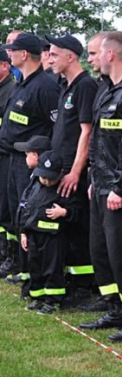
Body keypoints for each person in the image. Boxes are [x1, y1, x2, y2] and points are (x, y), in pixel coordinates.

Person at [79, 31, 122, 341]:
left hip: (120, 189)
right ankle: (114, 307)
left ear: (110, 55)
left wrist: (120, 187)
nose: (93, 60)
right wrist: (94, 176)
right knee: (101, 250)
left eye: (97, 53)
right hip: (101, 184)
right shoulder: (105, 90)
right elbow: (97, 140)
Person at [0, 33, 59, 283]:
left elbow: (57, 127)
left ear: (24, 54)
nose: (9, 54)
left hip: (29, 161)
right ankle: (21, 265)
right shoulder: (23, 83)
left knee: (29, 214)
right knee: (16, 213)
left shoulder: (45, 86)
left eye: (12, 50)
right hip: (12, 159)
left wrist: (44, 160)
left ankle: (33, 269)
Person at [46, 34, 99, 308]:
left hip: (74, 169)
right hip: (62, 166)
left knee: (78, 227)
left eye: (54, 54)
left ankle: (85, 286)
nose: (50, 59)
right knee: (67, 227)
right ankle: (73, 280)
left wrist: (77, 171)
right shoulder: (66, 86)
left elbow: (86, 132)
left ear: (71, 56)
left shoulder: (85, 86)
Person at [18, 150, 76, 314]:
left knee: (52, 269)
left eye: (51, 178)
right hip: (33, 235)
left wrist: (64, 213)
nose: (47, 181)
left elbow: (77, 211)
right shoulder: (34, 186)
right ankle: (38, 297)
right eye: (43, 177)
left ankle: (53, 300)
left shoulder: (65, 189)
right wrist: (23, 232)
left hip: (54, 238)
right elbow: (26, 209)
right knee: (35, 267)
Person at [0, 48, 16, 269]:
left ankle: (9, 255)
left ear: (5, 65)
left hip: (6, 155)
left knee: (6, 209)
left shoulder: (11, 90)